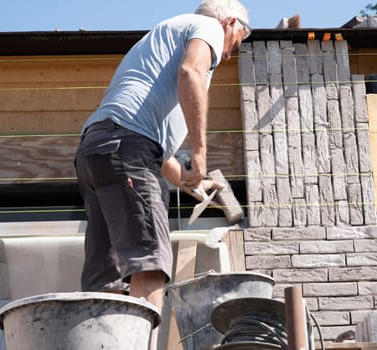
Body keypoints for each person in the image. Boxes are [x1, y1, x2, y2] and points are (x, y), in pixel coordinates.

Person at [74, 0, 250, 348]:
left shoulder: (165, 34)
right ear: (230, 23)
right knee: (150, 263)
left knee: (105, 276)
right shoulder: (209, 28)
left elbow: (155, 149)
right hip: (127, 146)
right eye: (236, 44)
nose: (229, 55)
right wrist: (200, 151)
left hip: (96, 149)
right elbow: (191, 73)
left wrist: (187, 178)